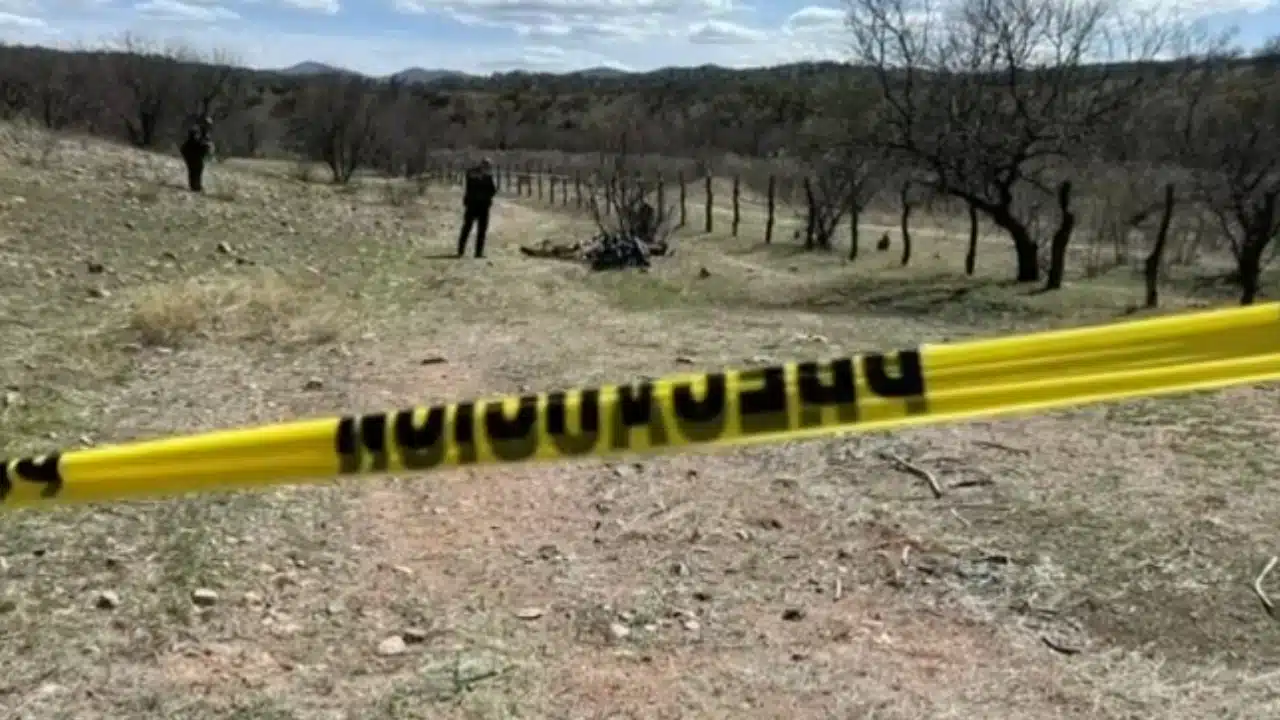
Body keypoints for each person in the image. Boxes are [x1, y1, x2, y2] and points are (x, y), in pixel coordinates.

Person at [457, 158, 498, 258]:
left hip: (484, 206)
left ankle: (478, 252)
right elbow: (469, 178)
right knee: (467, 227)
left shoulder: (488, 176)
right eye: (486, 166)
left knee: (482, 230)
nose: (487, 169)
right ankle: (461, 250)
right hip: (472, 205)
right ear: (481, 165)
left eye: (488, 167)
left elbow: (493, 190)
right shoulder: (472, 173)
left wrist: (487, 194)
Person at [180, 116, 214, 193]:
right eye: (207, 125)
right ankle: (194, 186)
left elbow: (205, 143)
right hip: (189, 151)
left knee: (198, 167)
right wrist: (204, 144)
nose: (208, 127)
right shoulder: (196, 130)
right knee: (194, 167)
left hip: (195, 152)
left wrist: (208, 146)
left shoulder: (205, 132)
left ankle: (196, 185)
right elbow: (195, 142)